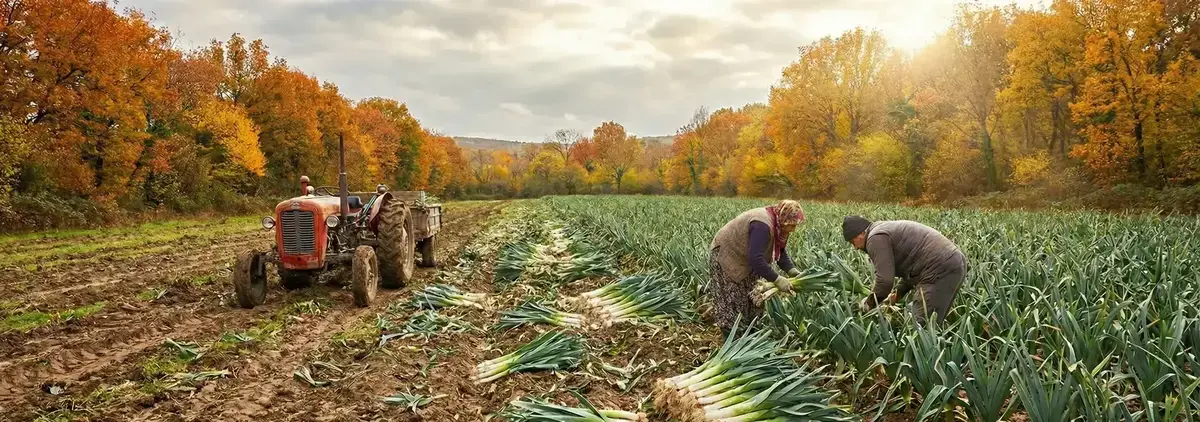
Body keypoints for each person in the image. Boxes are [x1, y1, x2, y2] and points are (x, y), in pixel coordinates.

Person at [842, 215, 967, 326]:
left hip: (940, 267)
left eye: (853, 242)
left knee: (919, 329)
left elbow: (884, 281)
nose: (856, 248)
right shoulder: (882, 230)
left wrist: (869, 303)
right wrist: (898, 293)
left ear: (862, 233)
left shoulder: (875, 238)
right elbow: (913, 264)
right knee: (933, 325)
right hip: (954, 263)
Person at [708, 200, 806, 336]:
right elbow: (756, 259)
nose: (794, 229)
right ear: (784, 219)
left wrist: (792, 271)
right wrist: (778, 279)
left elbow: (780, 251)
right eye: (792, 225)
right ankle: (732, 343)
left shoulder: (779, 225)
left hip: (746, 258)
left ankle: (750, 337)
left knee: (754, 298)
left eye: (796, 225)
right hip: (728, 255)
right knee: (733, 303)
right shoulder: (762, 225)